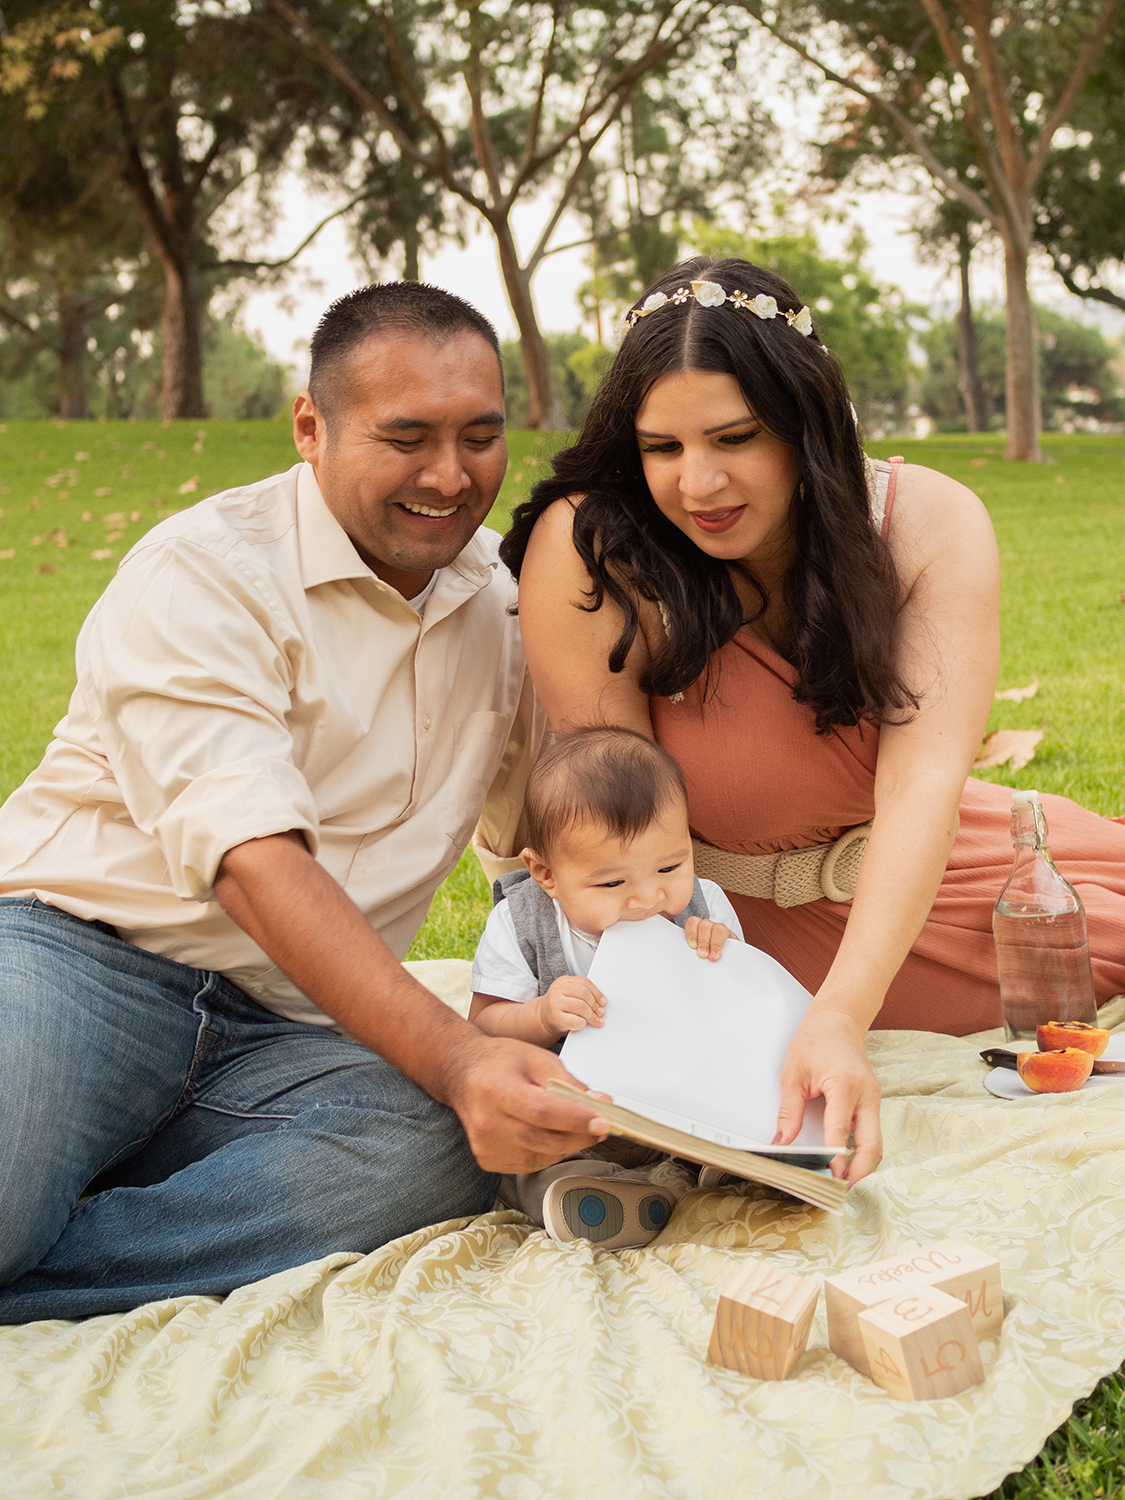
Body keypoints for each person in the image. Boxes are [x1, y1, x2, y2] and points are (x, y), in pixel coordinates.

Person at [0, 281, 609, 1324]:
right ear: (309, 427)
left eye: (480, 437)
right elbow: (253, 862)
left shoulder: (509, 606)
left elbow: (557, 833)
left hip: (294, 1030)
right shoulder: (203, 573)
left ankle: (50, 1262)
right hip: (79, 962)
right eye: (406, 437)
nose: (450, 475)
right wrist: (456, 1055)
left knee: (442, 1142)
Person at [496, 256, 1125, 1188]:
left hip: (939, 879)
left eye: (734, 437)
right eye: (661, 448)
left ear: (804, 420)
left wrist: (839, 1014)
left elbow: (921, 788)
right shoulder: (593, 550)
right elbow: (612, 824)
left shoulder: (928, 523)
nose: (698, 482)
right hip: (718, 932)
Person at [470, 726, 741, 1249]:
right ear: (545, 873)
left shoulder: (702, 906)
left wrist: (722, 960)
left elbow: (737, 1017)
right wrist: (542, 1015)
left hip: (679, 1101)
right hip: (577, 1116)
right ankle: (593, 1195)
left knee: (743, 1093)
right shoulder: (521, 922)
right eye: (613, 882)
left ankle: (730, 1164)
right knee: (517, 1137)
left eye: (670, 866)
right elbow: (482, 1027)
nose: (648, 898)